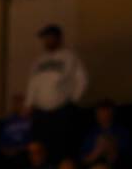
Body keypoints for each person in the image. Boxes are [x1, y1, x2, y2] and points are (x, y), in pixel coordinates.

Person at [25, 24, 88, 159]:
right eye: (45, 38)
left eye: (49, 37)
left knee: (63, 146)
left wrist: (72, 100)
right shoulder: (39, 61)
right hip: (41, 111)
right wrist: (29, 103)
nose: (47, 41)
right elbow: (32, 83)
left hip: (62, 109)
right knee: (42, 146)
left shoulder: (69, 56)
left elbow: (82, 80)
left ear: (58, 38)